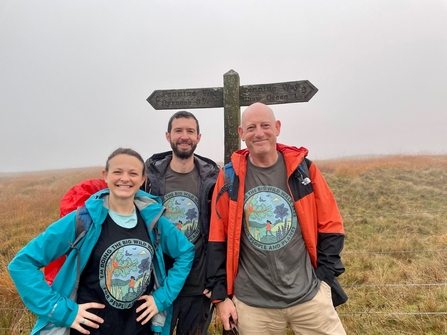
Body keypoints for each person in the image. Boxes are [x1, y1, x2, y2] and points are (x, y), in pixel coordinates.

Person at [8, 147, 195, 335]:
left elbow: (185, 252)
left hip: (140, 329)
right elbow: (22, 264)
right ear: (105, 176)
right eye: (117, 172)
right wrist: (64, 312)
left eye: (133, 173)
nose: (125, 178)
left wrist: (161, 298)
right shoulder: (82, 221)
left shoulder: (153, 221)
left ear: (142, 179)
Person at [205, 103, 347, 335]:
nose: (259, 133)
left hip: (309, 296)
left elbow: (331, 224)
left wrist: (324, 278)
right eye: (251, 127)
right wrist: (220, 296)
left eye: (265, 125)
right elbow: (217, 237)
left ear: (277, 128)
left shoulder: (303, 170)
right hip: (252, 305)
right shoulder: (230, 177)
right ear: (242, 134)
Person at [143, 111, 220, 335]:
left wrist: (216, 280)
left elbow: (221, 231)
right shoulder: (149, 179)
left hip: (198, 286)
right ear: (168, 136)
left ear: (199, 137)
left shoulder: (213, 179)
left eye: (190, 131)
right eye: (178, 131)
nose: (184, 136)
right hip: (159, 283)